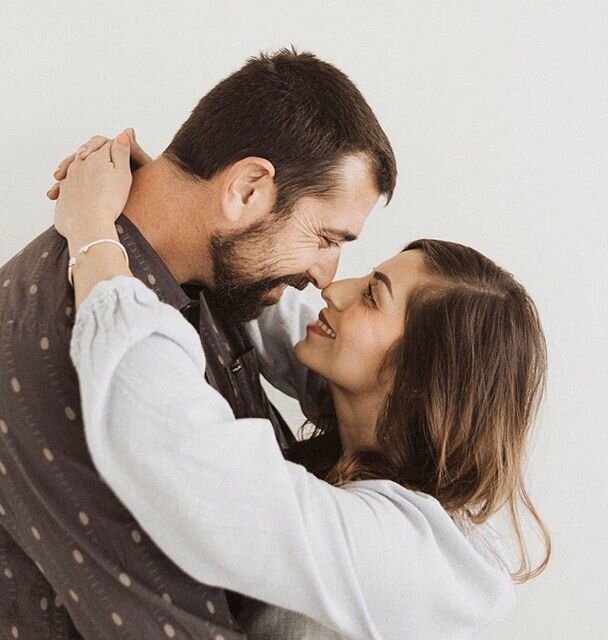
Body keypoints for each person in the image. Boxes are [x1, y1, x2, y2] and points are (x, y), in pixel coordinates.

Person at [51, 136, 550, 639]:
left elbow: (183, 464)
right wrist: (187, 204)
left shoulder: (403, 556)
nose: (333, 288)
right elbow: (278, 319)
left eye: (373, 296)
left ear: (420, 380)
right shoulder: (388, 434)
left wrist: (92, 231)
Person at [0, 48, 396, 638]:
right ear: (247, 189)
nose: (326, 275)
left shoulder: (204, 272)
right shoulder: (79, 338)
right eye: (325, 236)